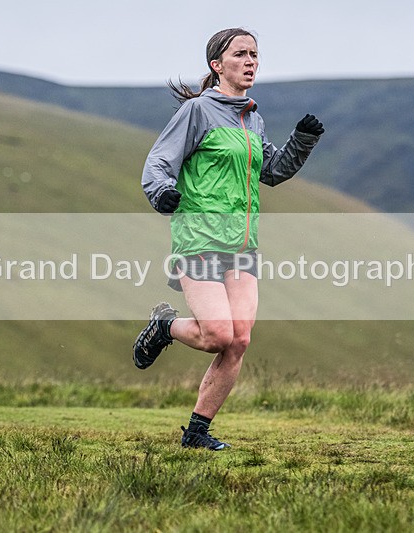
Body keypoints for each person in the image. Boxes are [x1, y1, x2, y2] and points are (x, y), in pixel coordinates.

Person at [133, 27, 324, 450]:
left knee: (239, 340)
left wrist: (303, 141)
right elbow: (159, 161)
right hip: (199, 237)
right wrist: (162, 192)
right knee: (217, 334)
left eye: (255, 54)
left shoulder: (253, 117)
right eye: (241, 54)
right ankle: (165, 326)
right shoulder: (197, 111)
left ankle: (197, 432)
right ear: (218, 65)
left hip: (242, 245)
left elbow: (271, 172)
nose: (251, 61)